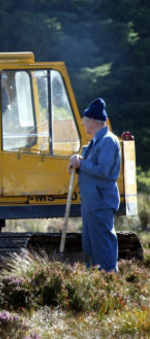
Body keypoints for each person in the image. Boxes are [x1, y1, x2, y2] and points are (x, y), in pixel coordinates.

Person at [68, 98, 121, 272]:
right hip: (92, 202)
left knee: (102, 246)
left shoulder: (107, 140)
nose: (83, 124)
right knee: (90, 247)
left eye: (84, 120)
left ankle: (108, 281)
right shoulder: (95, 141)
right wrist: (78, 162)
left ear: (92, 120)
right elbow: (91, 166)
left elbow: (103, 170)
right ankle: (96, 284)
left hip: (101, 201)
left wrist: (81, 164)